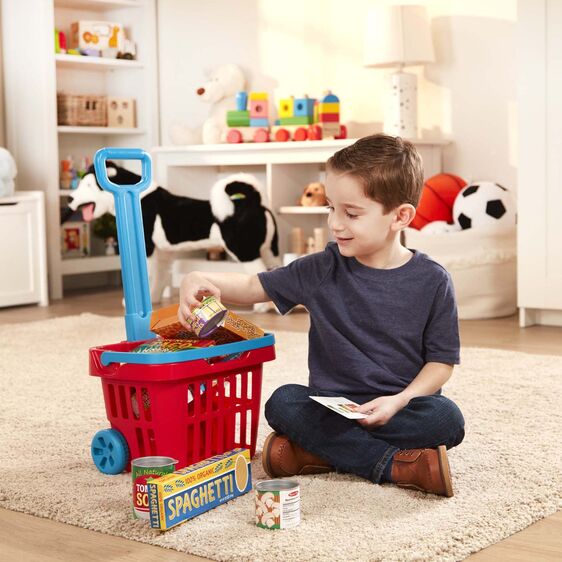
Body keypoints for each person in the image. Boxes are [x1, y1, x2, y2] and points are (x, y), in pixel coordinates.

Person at [178, 134, 465, 497]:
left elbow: (441, 363)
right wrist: (199, 277)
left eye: (351, 213)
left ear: (400, 216)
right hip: (331, 408)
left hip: (399, 409)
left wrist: (399, 401)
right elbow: (253, 286)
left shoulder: (433, 280)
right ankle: (395, 465)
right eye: (331, 208)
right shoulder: (321, 268)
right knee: (282, 402)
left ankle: (316, 452)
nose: (335, 223)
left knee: (447, 419)